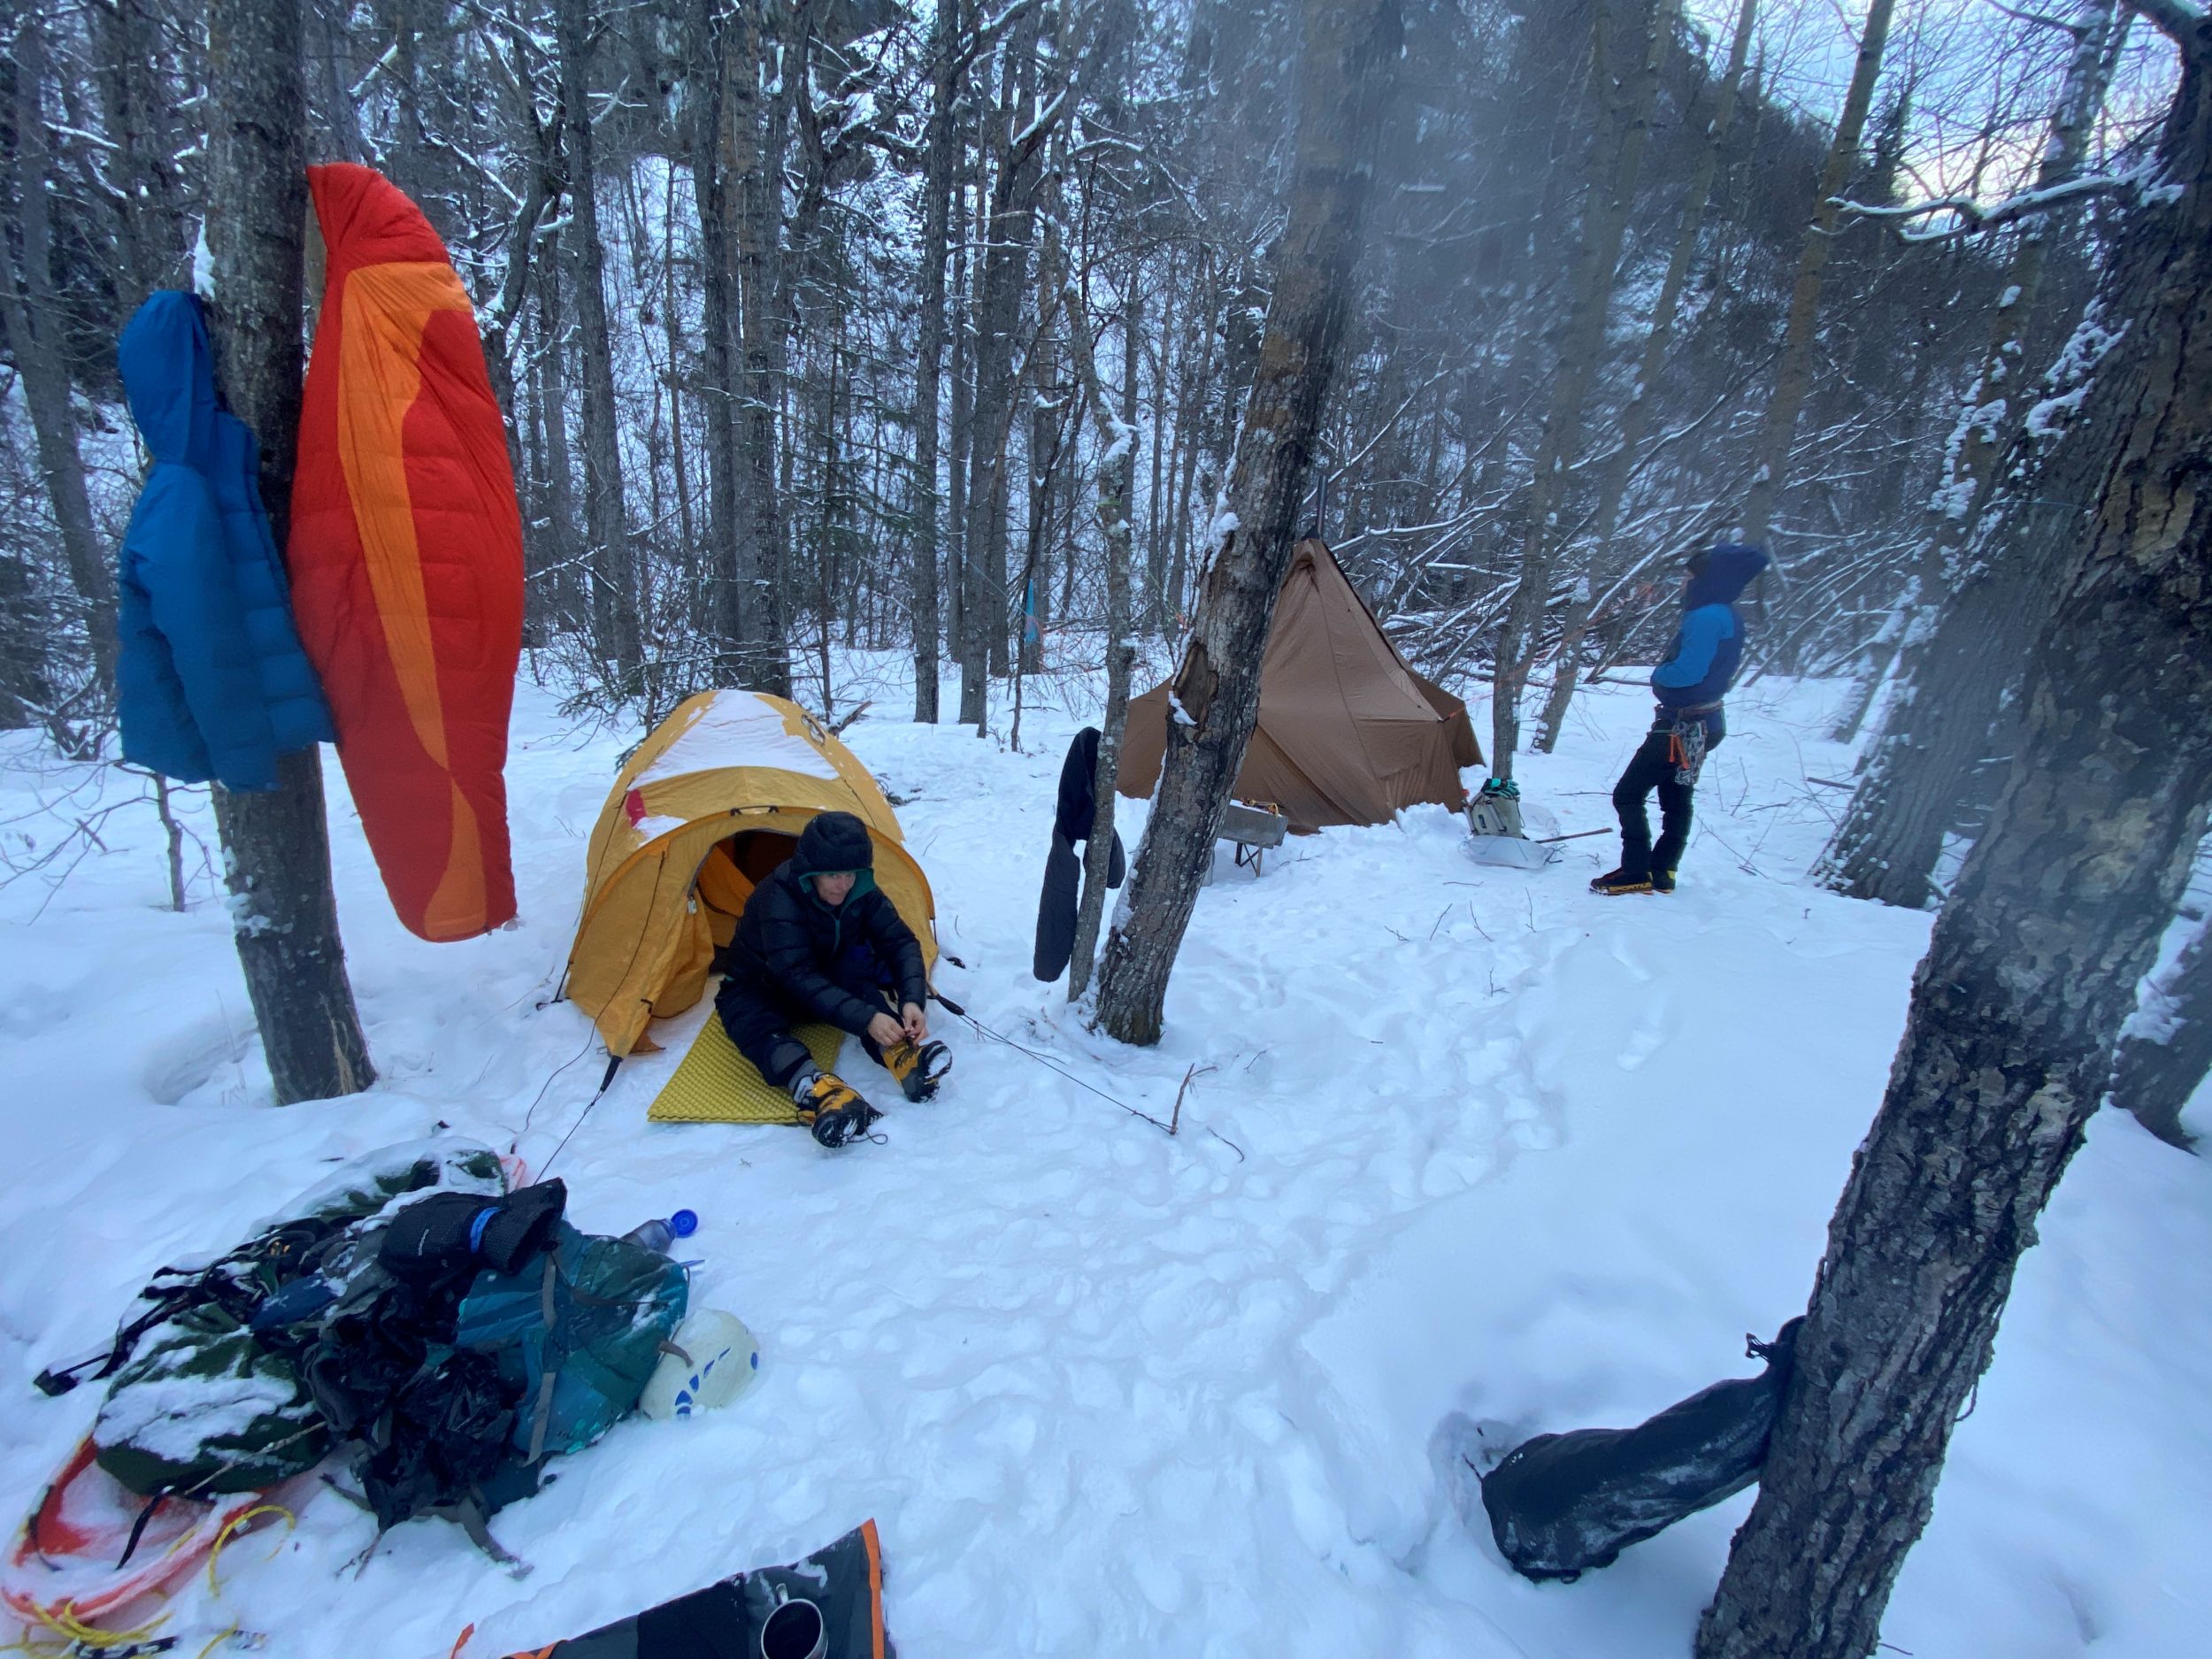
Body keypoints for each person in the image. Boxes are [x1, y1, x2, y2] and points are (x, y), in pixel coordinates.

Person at [715, 810, 949, 1147]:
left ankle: (901, 1055)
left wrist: (912, 997)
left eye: (851, 874)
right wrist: (866, 1017)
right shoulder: (778, 897)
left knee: (853, 971)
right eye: (832, 874)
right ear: (811, 872)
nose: (843, 884)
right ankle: (817, 1089)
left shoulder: (861, 891)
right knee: (750, 1019)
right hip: (763, 985)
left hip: (820, 977)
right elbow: (794, 974)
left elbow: (899, 942)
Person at [1592, 542, 1771, 896]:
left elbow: (1688, 672)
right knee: (1676, 796)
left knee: (1628, 794)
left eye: (1689, 576)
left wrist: (1660, 675)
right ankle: (1663, 870)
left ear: (1708, 579)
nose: (1683, 583)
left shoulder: (1706, 617)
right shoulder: (1727, 614)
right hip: (1707, 722)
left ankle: (1635, 871)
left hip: (1681, 726)